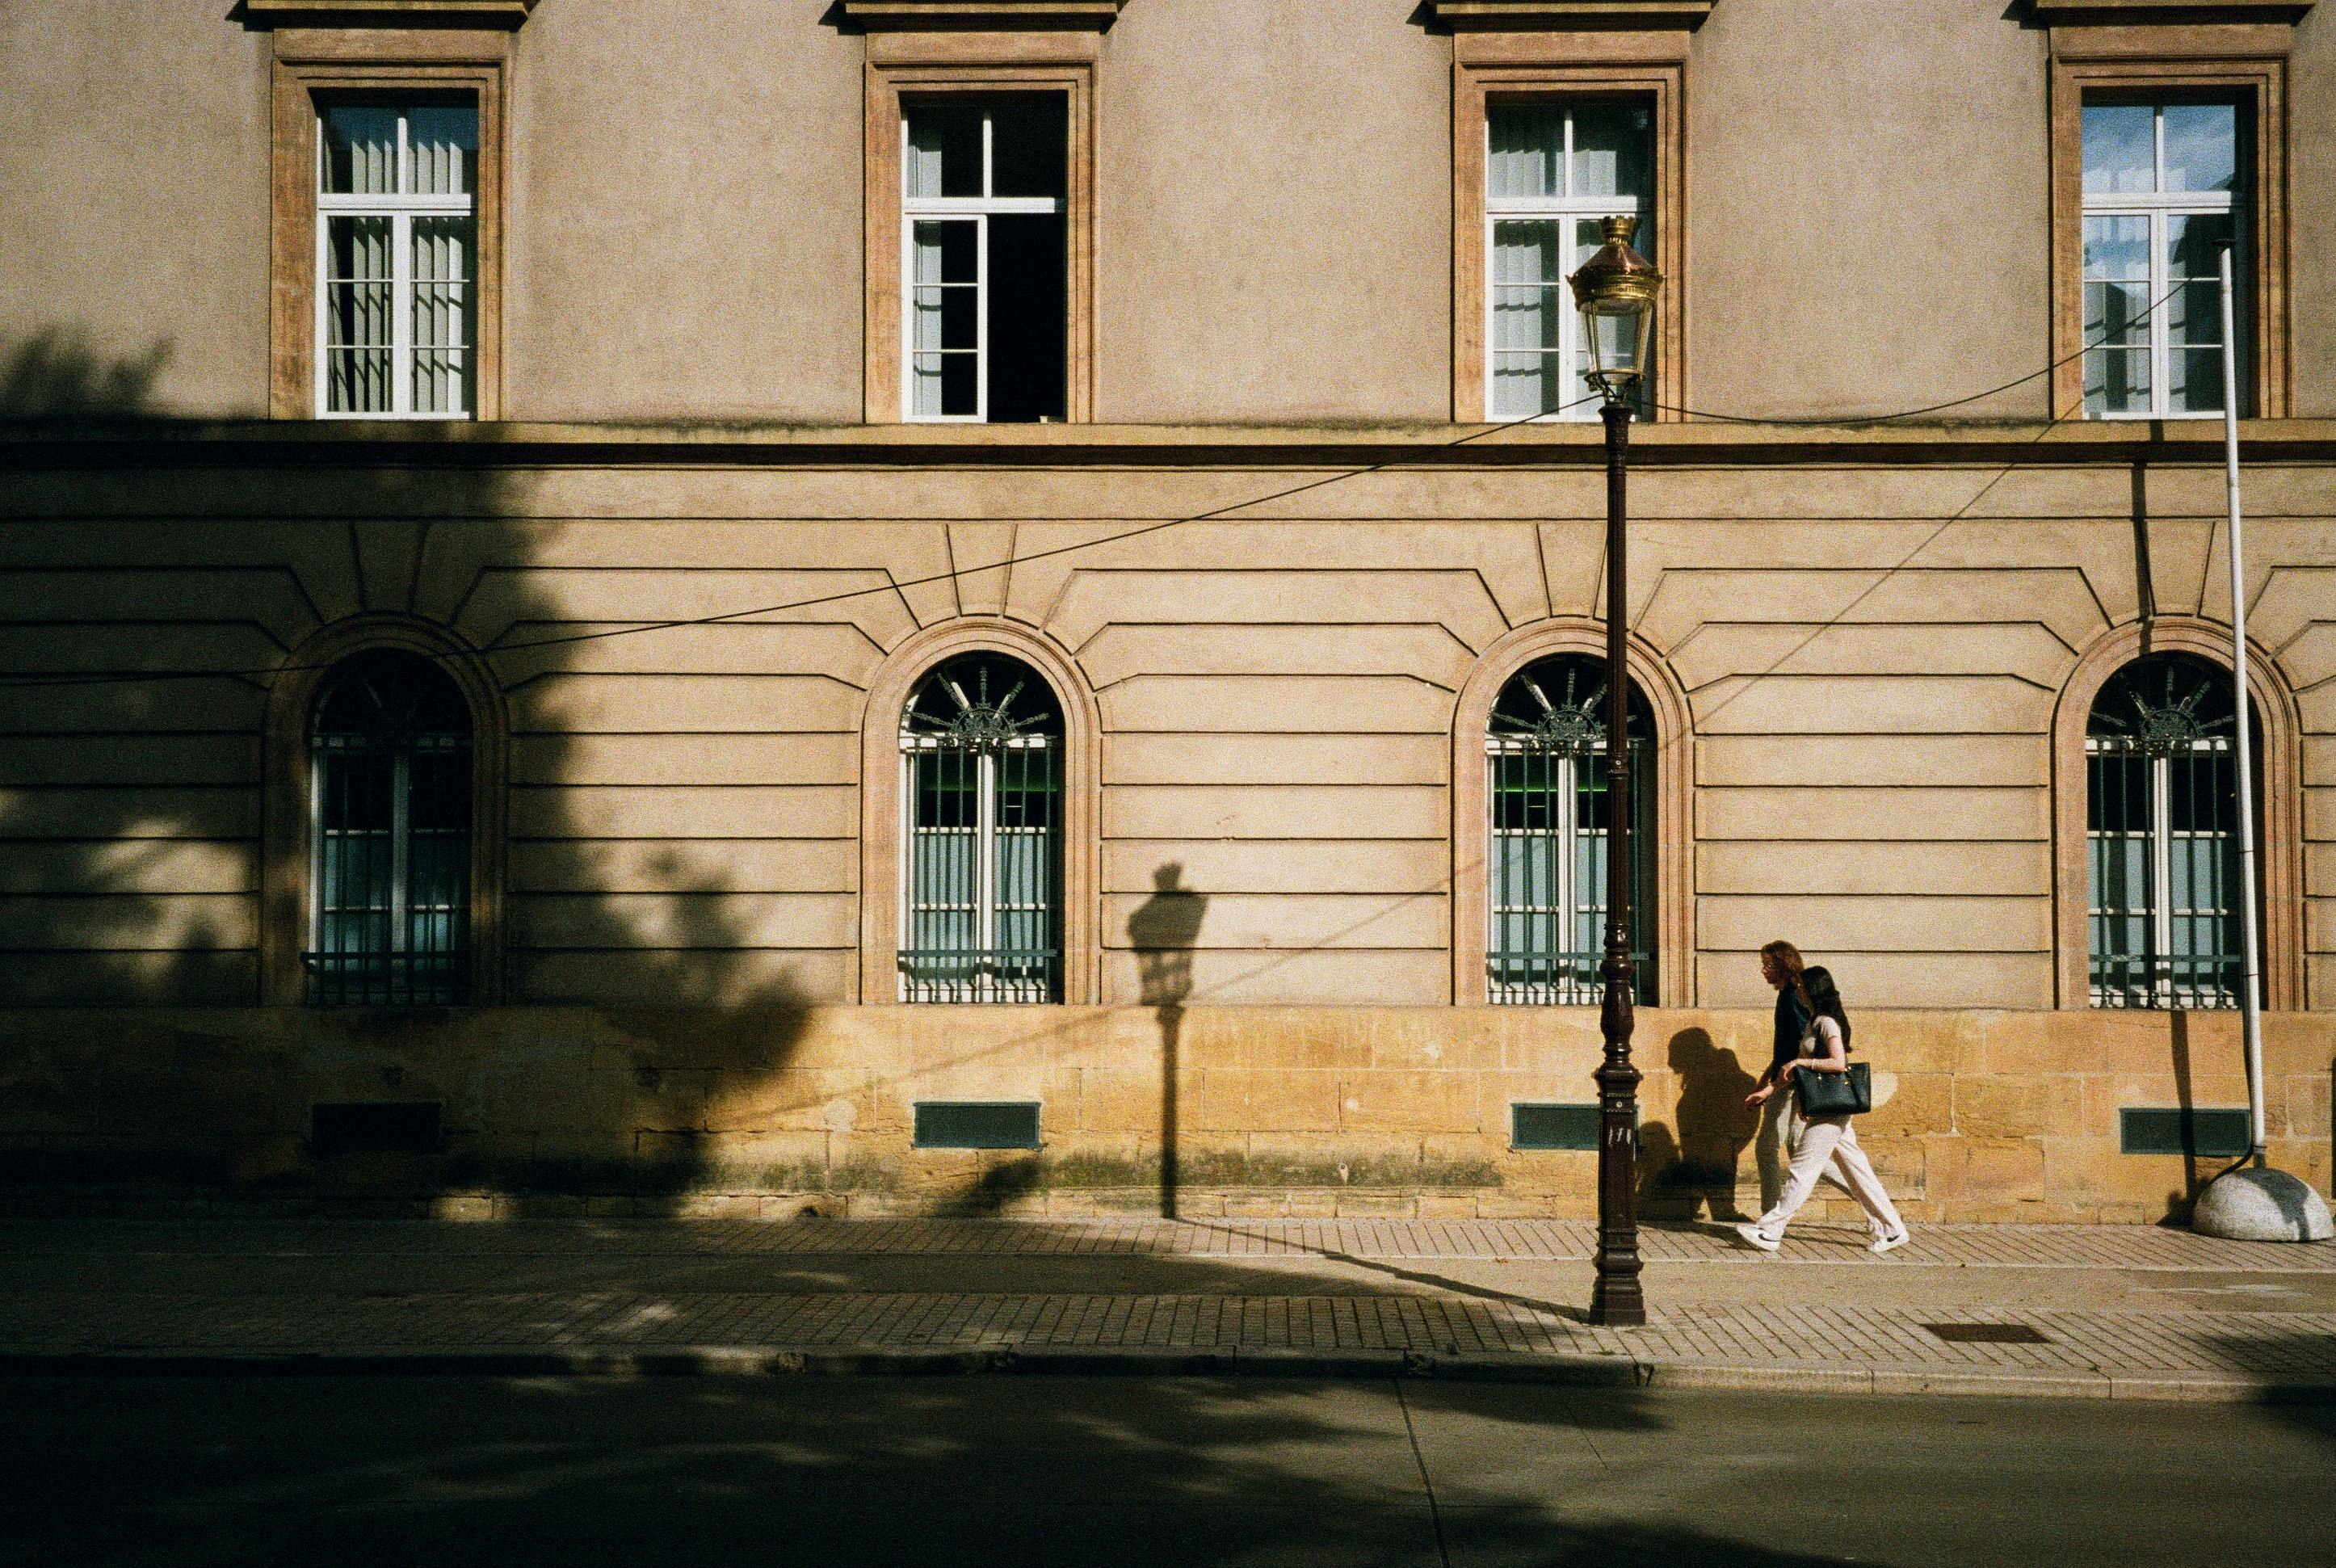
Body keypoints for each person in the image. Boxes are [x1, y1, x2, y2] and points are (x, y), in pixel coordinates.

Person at [1737, 964, 1909, 1254]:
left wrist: (1802, 1062)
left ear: (1813, 990)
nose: (1798, 990)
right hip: (1828, 1108)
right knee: (1858, 1172)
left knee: (1802, 1170)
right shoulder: (1815, 1021)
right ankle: (1893, 1230)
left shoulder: (1826, 1022)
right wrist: (1768, 1090)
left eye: (1803, 987)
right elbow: (1795, 1073)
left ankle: (1770, 1230)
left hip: (1831, 1110)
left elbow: (1838, 1063)